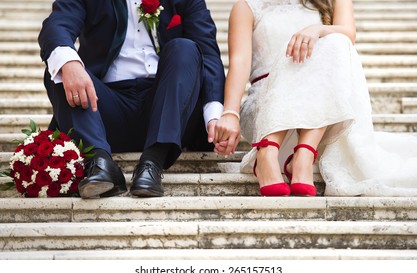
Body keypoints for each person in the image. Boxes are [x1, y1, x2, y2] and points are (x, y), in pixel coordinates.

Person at [214, 0, 417, 197]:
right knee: (301, 58)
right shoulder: (246, 6)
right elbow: (239, 64)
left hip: (317, 125)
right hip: (265, 114)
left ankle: (304, 154)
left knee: (337, 40)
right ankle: (266, 152)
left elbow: (349, 34)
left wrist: (317, 30)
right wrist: (230, 113)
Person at [38, 0, 225, 198]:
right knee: (60, 67)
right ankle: (100, 162)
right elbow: (57, 25)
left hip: (167, 108)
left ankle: (152, 163)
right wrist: (69, 63)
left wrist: (214, 115)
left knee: (185, 48)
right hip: (106, 108)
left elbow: (208, 52)